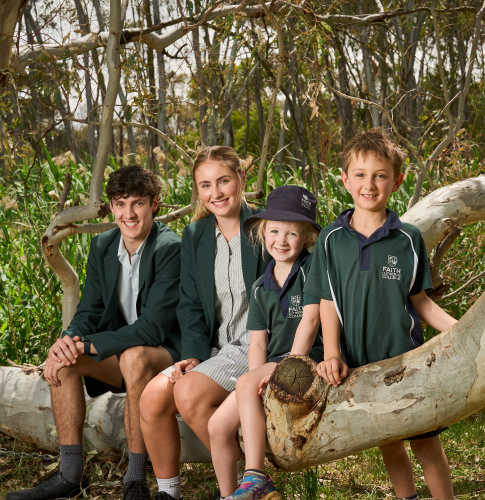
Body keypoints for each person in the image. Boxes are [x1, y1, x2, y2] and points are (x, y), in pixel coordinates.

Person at [7, 165, 182, 500]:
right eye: (120, 203)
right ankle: (71, 475)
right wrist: (66, 342)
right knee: (65, 362)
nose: (128, 214)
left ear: (155, 204)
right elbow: (88, 310)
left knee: (133, 357)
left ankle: (135, 479)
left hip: (166, 354)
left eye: (138, 203)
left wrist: (87, 345)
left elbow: (153, 327)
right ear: (112, 207)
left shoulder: (169, 247)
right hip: (123, 352)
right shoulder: (103, 245)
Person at [301, 128, 456, 500]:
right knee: (387, 441)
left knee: (425, 445)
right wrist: (333, 354)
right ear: (345, 179)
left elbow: (420, 301)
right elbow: (327, 301)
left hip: (406, 361)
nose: (369, 184)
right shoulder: (330, 240)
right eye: (360, 174)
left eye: (380, 175)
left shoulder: (408, 239)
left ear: (397, 181)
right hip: (360, 368)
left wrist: (460, 329)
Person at [139, 146, 270, 500]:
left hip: (257, 345)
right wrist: (194, 355)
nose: (216, 193)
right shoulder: (195, 236)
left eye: (224, 181)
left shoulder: (265, 228)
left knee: (189, 393)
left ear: (241, 179)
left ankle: (246, 484)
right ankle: (170, 493)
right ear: (197, 191)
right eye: (206, 185)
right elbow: (191, 306)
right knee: (152, 398)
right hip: (215, 348)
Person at [208, 186, 324, 500]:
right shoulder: (261, 287)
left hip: (306, 361)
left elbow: (312, 321)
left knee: (247, 383)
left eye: (292, 233)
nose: (281, 240)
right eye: (274, 231)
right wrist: (257, 381)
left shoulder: (312, 270)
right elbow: (258, 343)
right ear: (262, 233)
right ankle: (230, 495)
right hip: (273, 366)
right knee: (217, 426)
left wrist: (283, 369)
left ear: (307, 237)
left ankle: (255, 476)